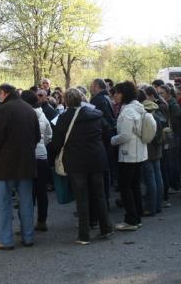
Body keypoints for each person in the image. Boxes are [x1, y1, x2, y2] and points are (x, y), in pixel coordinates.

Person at [51, 88, 114, 244]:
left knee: (82, 198)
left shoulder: (64, 118)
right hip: (97, 159)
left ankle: (84, 235)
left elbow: (57, 142)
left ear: (66, 100)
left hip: (76, 161)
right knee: (99, 195)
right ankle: (106, 227)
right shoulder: (96, 115)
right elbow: (107, 134)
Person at [0, 83, 40, 250]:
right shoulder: (29, 109)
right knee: (26, 201)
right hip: (26, 162)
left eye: (0, 94)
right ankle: (28, 237)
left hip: (6, 164)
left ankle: (6, 239)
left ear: (4, 93)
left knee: (3, 203)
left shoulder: (4, 110)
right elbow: (37, 136)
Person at [111, 81, 147, 231]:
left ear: (124, 93)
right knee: (134, 185)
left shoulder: (127, 111)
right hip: (139, 152)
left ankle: (131, 219)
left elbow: (125, 135)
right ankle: (137, 216)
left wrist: (112, 140)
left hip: (129, 153)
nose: (114, 95)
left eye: (117, 92)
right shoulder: (138, 107)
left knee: (125, 187)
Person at [21, 90, 52, 232]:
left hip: (27, 157)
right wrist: (41, 145)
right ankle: (42, 220)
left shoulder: (23, 115)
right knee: (41, 192)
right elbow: (48, 135)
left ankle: (26, 224)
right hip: (42, 156)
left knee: (27, 192)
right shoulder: (43, 115)